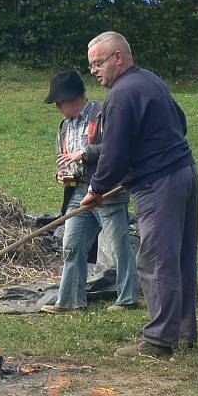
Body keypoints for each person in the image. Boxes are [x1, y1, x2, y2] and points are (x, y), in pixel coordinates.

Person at [80, 31, 198, 358]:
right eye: (90, 65)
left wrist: (96, 189)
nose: (94, 70)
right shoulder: (150, 81)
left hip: (159, 184)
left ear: (118, 57)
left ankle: (160, 340)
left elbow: (114, 154)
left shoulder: (120, 96)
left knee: (156, 260)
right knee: (180, 258)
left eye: (99, 62)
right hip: (184, 174)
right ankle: (185, 332)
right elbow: (181, 122)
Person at [40, 69, 140, 314]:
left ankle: (128, 298)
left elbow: (117, 147)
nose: (58, 108)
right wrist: (62, 174)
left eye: (59, 103)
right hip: (77, 192)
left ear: (73, 98)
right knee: (72, 245)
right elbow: (63, 158)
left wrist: (85, 153)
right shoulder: (64, 126)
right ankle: (71, 301)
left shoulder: (103, 115)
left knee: (118, 245)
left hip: (106, 189)